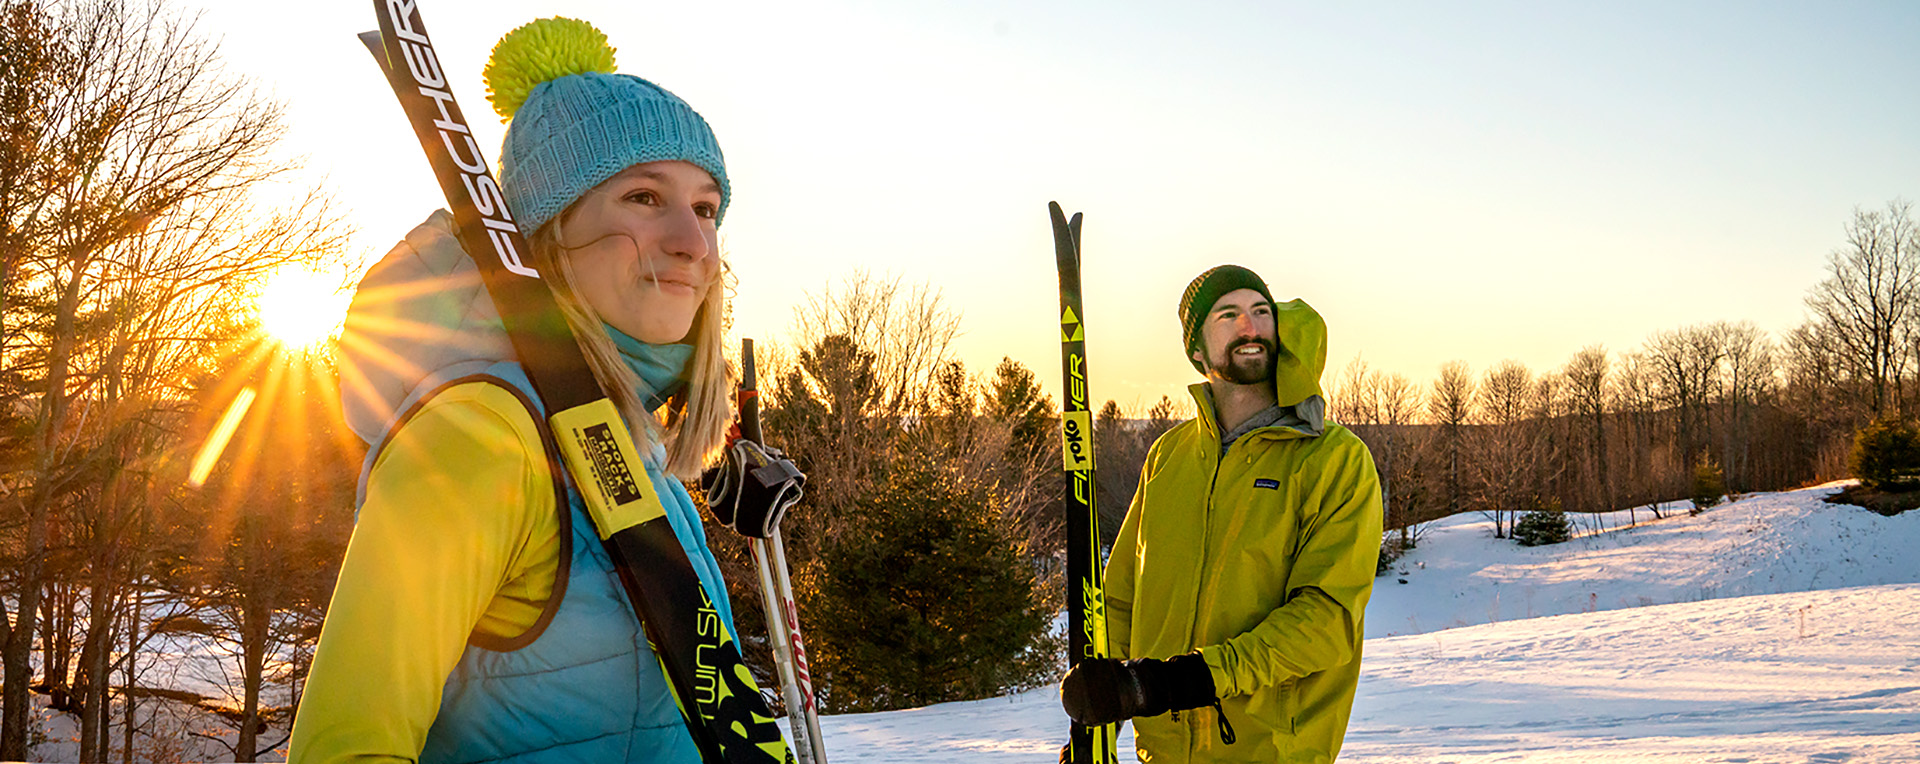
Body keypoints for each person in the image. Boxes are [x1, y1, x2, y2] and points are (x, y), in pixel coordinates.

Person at [289, 18, 739, 763]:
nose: (694, 244)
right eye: (642, 198)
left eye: (704, 207)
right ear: (548, 231)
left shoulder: (622, 438)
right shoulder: (480, 435)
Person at [1060, 265, 1383, 764]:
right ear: (1196, 350)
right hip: (1162, 754)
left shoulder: (1333, 459)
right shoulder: (1170, 457)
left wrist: (1181, 680)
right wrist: (1099, 722)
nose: (1249, 327)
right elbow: (1122, 598)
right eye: (1227, 316)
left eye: (1260, 312)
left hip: (1270, 751)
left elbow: (1326, 621)